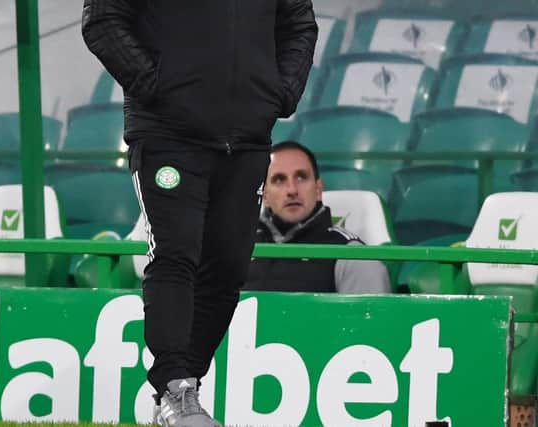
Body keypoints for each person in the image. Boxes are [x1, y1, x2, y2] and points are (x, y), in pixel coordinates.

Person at [82, 2, 317, 426]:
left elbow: (299, 23)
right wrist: (158, 87)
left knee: (228, 267)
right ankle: (175, 389)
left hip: (247, 137)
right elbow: (102, 19)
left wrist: (280, 93)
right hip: (167, 135)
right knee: (176, 253)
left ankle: (183, 389)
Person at [245, 141, 391, 294]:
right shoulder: (240, 248)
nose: (292, 190)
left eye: (301, 177)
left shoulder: (353, 256)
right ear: (265, 195)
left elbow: (367, 316)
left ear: (318, 189)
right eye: (279, 180)